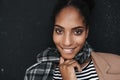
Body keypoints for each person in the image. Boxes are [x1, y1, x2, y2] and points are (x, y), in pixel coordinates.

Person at [24, 0, 120, 80]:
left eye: (77, 32)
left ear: (86, 32)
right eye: (59, 31)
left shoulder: (117, 65)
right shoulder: (35, 74)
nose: (67, 42)